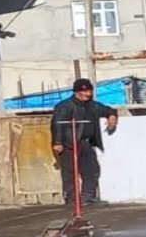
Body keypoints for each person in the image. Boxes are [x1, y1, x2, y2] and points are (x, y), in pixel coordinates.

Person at [51, 78, 118, 206]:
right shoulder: (65, 106)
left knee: (92, 169)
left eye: (89, 91)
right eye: (85, 91)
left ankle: (87, 197)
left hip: (85, 142)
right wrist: (58, 142)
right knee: (70, 172)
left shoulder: (92, 105)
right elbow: (57, 125)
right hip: (68, 143)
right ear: (77, 92)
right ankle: (71, 199)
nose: (88, 94)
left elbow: (107, 109)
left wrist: (112, 116)